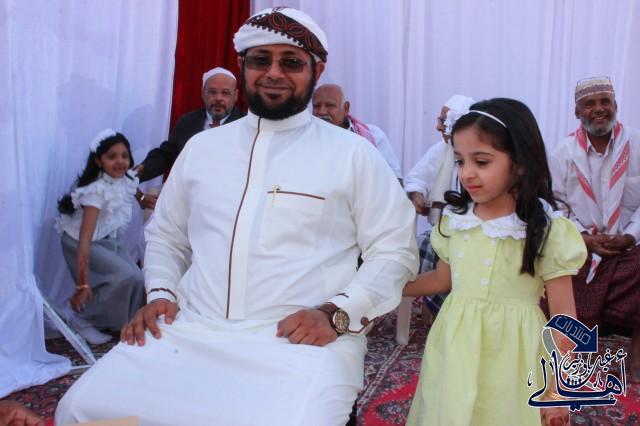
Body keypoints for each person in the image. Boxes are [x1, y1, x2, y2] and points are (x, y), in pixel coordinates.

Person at [56, 7, 418, 426]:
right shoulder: (202, 149)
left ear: (316, 70)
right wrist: (161, 294)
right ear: (244, 66)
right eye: (261, 60)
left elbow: (394, 250)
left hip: (299, 338)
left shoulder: (353, 155)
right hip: (191, 328)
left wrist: (337, 313)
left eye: (291, 62)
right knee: (80, 410)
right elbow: (167, 236)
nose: (274, 73)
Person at [403, 98, 587, 426]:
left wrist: (558, 390)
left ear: (520, 162)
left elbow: (564, 316)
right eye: (460, 161)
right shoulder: (456, 221)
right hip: (456, 347)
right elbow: (442, 280)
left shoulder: (546, 230)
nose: (467, 173)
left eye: (482, 161)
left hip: (515, 356)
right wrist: (392, 287)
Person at [549, 76, 640, 381]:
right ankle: (576, 350)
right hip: (581, 244)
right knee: (554, 266)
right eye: (589, 104)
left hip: (629, 245)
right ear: (577, 112)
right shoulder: (563, 152)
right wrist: (584, 239)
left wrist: (630, 236)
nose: (599, 109)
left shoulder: (637, 144)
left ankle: (638, 355)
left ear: (616, 105)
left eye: (605, 102)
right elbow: (556, 206)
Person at [55, 129, 145, 345]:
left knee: (137, 277)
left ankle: (121, 321)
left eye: (124, 156)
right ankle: (83, 319)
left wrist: (143, 198)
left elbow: (130, 188)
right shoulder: (95, 192)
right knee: (123, 275)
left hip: (105, 238)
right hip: (81, 242)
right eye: (112, 157)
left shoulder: (124, 178)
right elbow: (85, 240)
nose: (120, 161)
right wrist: (83, 283)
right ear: (98, 161)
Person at [404, 95, 474, 320]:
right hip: (443, 231)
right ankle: (433, 310)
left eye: (443, 121)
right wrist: (417, 195)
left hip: (475, 232)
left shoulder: (478, 154)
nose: (438, 127)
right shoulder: (440, 150)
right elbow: (416, 178)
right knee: (424, 244)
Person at [135, 67, 245, 209]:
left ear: (235, 95)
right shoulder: (188, 122)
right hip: (188, 198)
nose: (218, 98)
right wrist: (141, 171)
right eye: (212, 92)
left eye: (225, 93)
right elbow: (167, 155)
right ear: (202, 93)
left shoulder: (245, 126)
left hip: (230, 203)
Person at [312, 83, 403, 182]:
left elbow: (395, 180)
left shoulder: (373, 135)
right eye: (316, 106)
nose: (322, 111)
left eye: (330, 105)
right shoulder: (306, 138)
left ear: (346, 108)